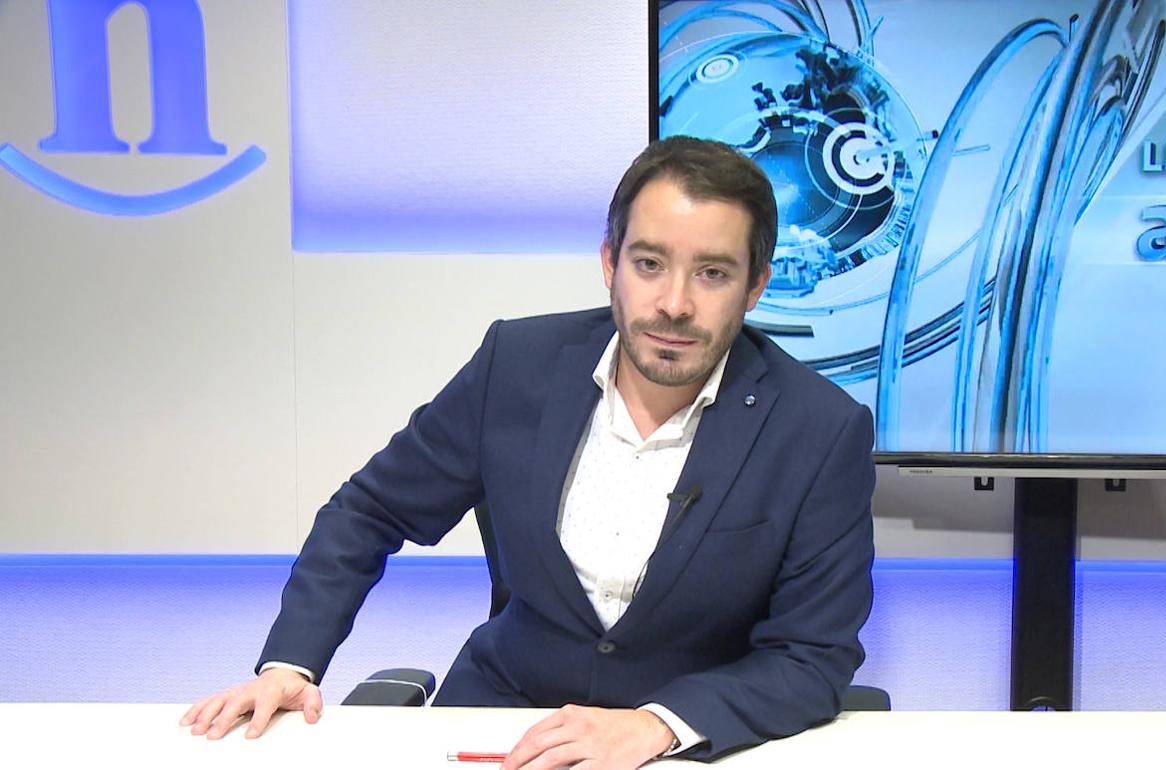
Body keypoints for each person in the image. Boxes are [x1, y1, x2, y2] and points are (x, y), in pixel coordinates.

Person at [181, 136, 876, 768]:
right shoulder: (516, 364)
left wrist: (658, 725)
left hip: (682, 748)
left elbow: (813, 656)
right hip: (502, 721)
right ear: (609, 263)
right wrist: (291, 664)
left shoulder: (819, 430)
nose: (674, 303)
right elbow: (368, 511)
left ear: (756, 286)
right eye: (649, 263)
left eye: (713, 273)